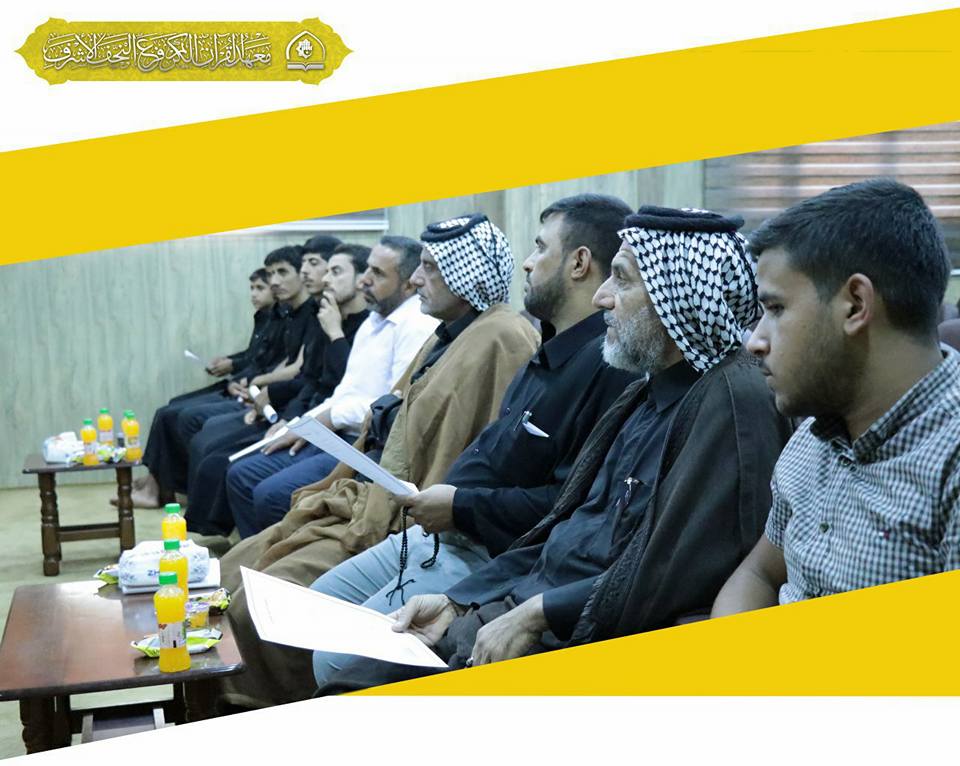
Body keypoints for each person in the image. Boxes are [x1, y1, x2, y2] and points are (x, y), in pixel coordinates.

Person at [321, 205, 792, 693]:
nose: (603, 297)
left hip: (571, 630)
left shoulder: (731, 401)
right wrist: (460, 600)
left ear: (681, 295)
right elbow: (563, 529)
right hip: (524, 603)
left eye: (622, 280)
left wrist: (538, 612)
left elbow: (673, 576)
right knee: (353, 671)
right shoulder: (644, 393)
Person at [307, 194, 638, 684]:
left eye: (540, 247)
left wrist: (461, 506)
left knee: (333, 658)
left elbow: (571, 506)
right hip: (439, 531)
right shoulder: (550, 347)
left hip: (488, 551)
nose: (527, 262)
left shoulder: (601, 364)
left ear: (579, 263)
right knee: (314, 608)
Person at [215, 213, 541, 709]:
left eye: (430, 268)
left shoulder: (502, 338)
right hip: (373, 493)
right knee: (235, 569)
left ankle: (271, 704)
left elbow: (474, 454)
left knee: (266, 599)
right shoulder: (449, 332)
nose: (416, 280)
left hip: (415, 518)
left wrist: (400, 502)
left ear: (468, 274)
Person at [712, 178, 960, 616]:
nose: (754, 341)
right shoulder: (813, 433)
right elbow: (760, 574)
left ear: (856, 304)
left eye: (776, 309)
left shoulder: (948, 459)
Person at [223, 236, 440, 536]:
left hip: (365, 444)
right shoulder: (374, 320)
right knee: (241, 473)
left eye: (377, 273)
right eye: (367, 270)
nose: (364, 280)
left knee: (270, 494)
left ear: (407, 284)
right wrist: (302, 424)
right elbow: (344, 391)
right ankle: (261, 554)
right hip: (337, 432)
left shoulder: (416, 325)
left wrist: (325, 419)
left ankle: (283, 558)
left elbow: (393, 407)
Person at [181, 244, 372, 535]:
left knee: (238, 470)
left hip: (342, 429)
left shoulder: (361, 324)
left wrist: (292, 418)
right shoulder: (327, 319)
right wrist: (288, 418)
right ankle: (243, 545)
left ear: (361, 279)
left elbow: (347, 388)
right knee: (215, 447)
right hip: (308, 413)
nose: (319, 277)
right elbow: (312, 379)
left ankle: (265, 551)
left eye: (330, 270)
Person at [131, 245, 315, 509]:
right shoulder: (283, 314)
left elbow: (296, 368)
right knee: (173, 409)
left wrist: (254, 383)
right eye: (270, 276)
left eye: (281, 273)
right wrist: (239, 372)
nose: (274, 282)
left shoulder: (311, 314)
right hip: (257, 387)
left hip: (279, 398)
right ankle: (163, 484)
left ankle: (173, 490)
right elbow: (266, 359)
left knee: (189, 422)